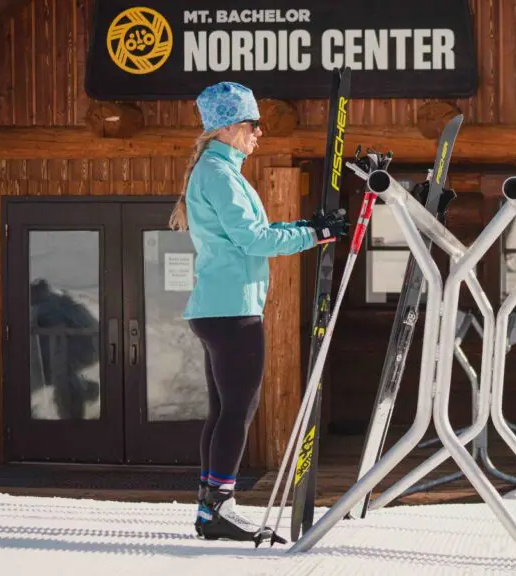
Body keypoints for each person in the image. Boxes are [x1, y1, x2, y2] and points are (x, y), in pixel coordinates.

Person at [168, 81, 349, 544]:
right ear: (227, 127)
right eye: (251, 124)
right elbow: (255, 241)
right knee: (238, 410)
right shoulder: (220, 176)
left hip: (219, 307)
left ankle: (211, 507)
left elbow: (257, 231)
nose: (259, 133)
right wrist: (314, 236)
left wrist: (310, 227)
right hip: (232, 311)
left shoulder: (217, 171)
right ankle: (219, 508)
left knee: (223, 410)